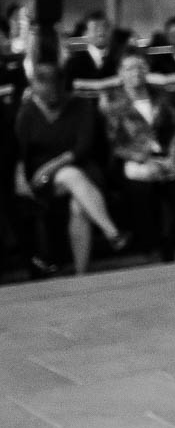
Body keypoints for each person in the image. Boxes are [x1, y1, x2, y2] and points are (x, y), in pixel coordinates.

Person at [15, 59, 126, 274]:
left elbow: (83, 147)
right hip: (41, 178)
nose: (52, 96)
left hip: (81, 166)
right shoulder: (27, 113)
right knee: (70, 177)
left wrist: (51, 166)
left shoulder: (81, 105)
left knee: (75, 195)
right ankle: (113, 233)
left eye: (57, 89)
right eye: (45, 92)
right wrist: (20, 179)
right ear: (34, 88)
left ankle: (81, 273)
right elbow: (19, 152)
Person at [102, 48, 175, 262]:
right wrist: (144, 158)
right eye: (129, 68)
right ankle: (151, 248)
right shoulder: (111, 102)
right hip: (132, 160)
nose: (135, 72)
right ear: (120, 73)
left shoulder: (161, 97)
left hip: (165, 158)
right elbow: (113, 142)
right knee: (141, 191)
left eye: (140, 66)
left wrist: (173, 157)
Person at [63, 10, 116, 85]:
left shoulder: (119, 59)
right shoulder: (74, 63)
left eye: (105, 27)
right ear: (85, 33)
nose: (101, 32)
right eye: (96, 28)